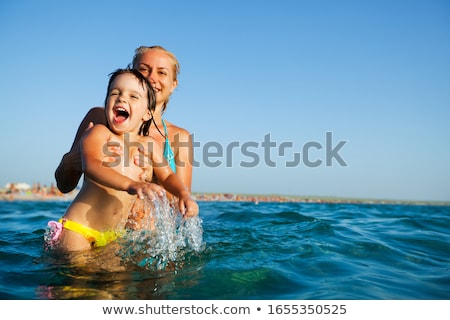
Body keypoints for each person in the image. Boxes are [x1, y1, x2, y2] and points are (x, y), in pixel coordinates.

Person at [47, 68, 198, 252]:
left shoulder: (149, 146)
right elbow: (93, 165)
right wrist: (132, 185)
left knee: (118, 280)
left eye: (134, 96)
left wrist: (184, 194)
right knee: (76, 277)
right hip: (79, 229)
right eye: (115, 93)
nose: (122, 98)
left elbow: (167, 176)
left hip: (112, 236)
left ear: (147, 114)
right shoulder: (99, 133)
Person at [54, 45, 192, 194]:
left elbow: (182, 207)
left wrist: (153, 175)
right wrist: (71, 161)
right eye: (144, 69)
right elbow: (64, 186)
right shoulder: (99, 118)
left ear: (173, 85)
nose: (152, 77)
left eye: (161, 72)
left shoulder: (180, 137)